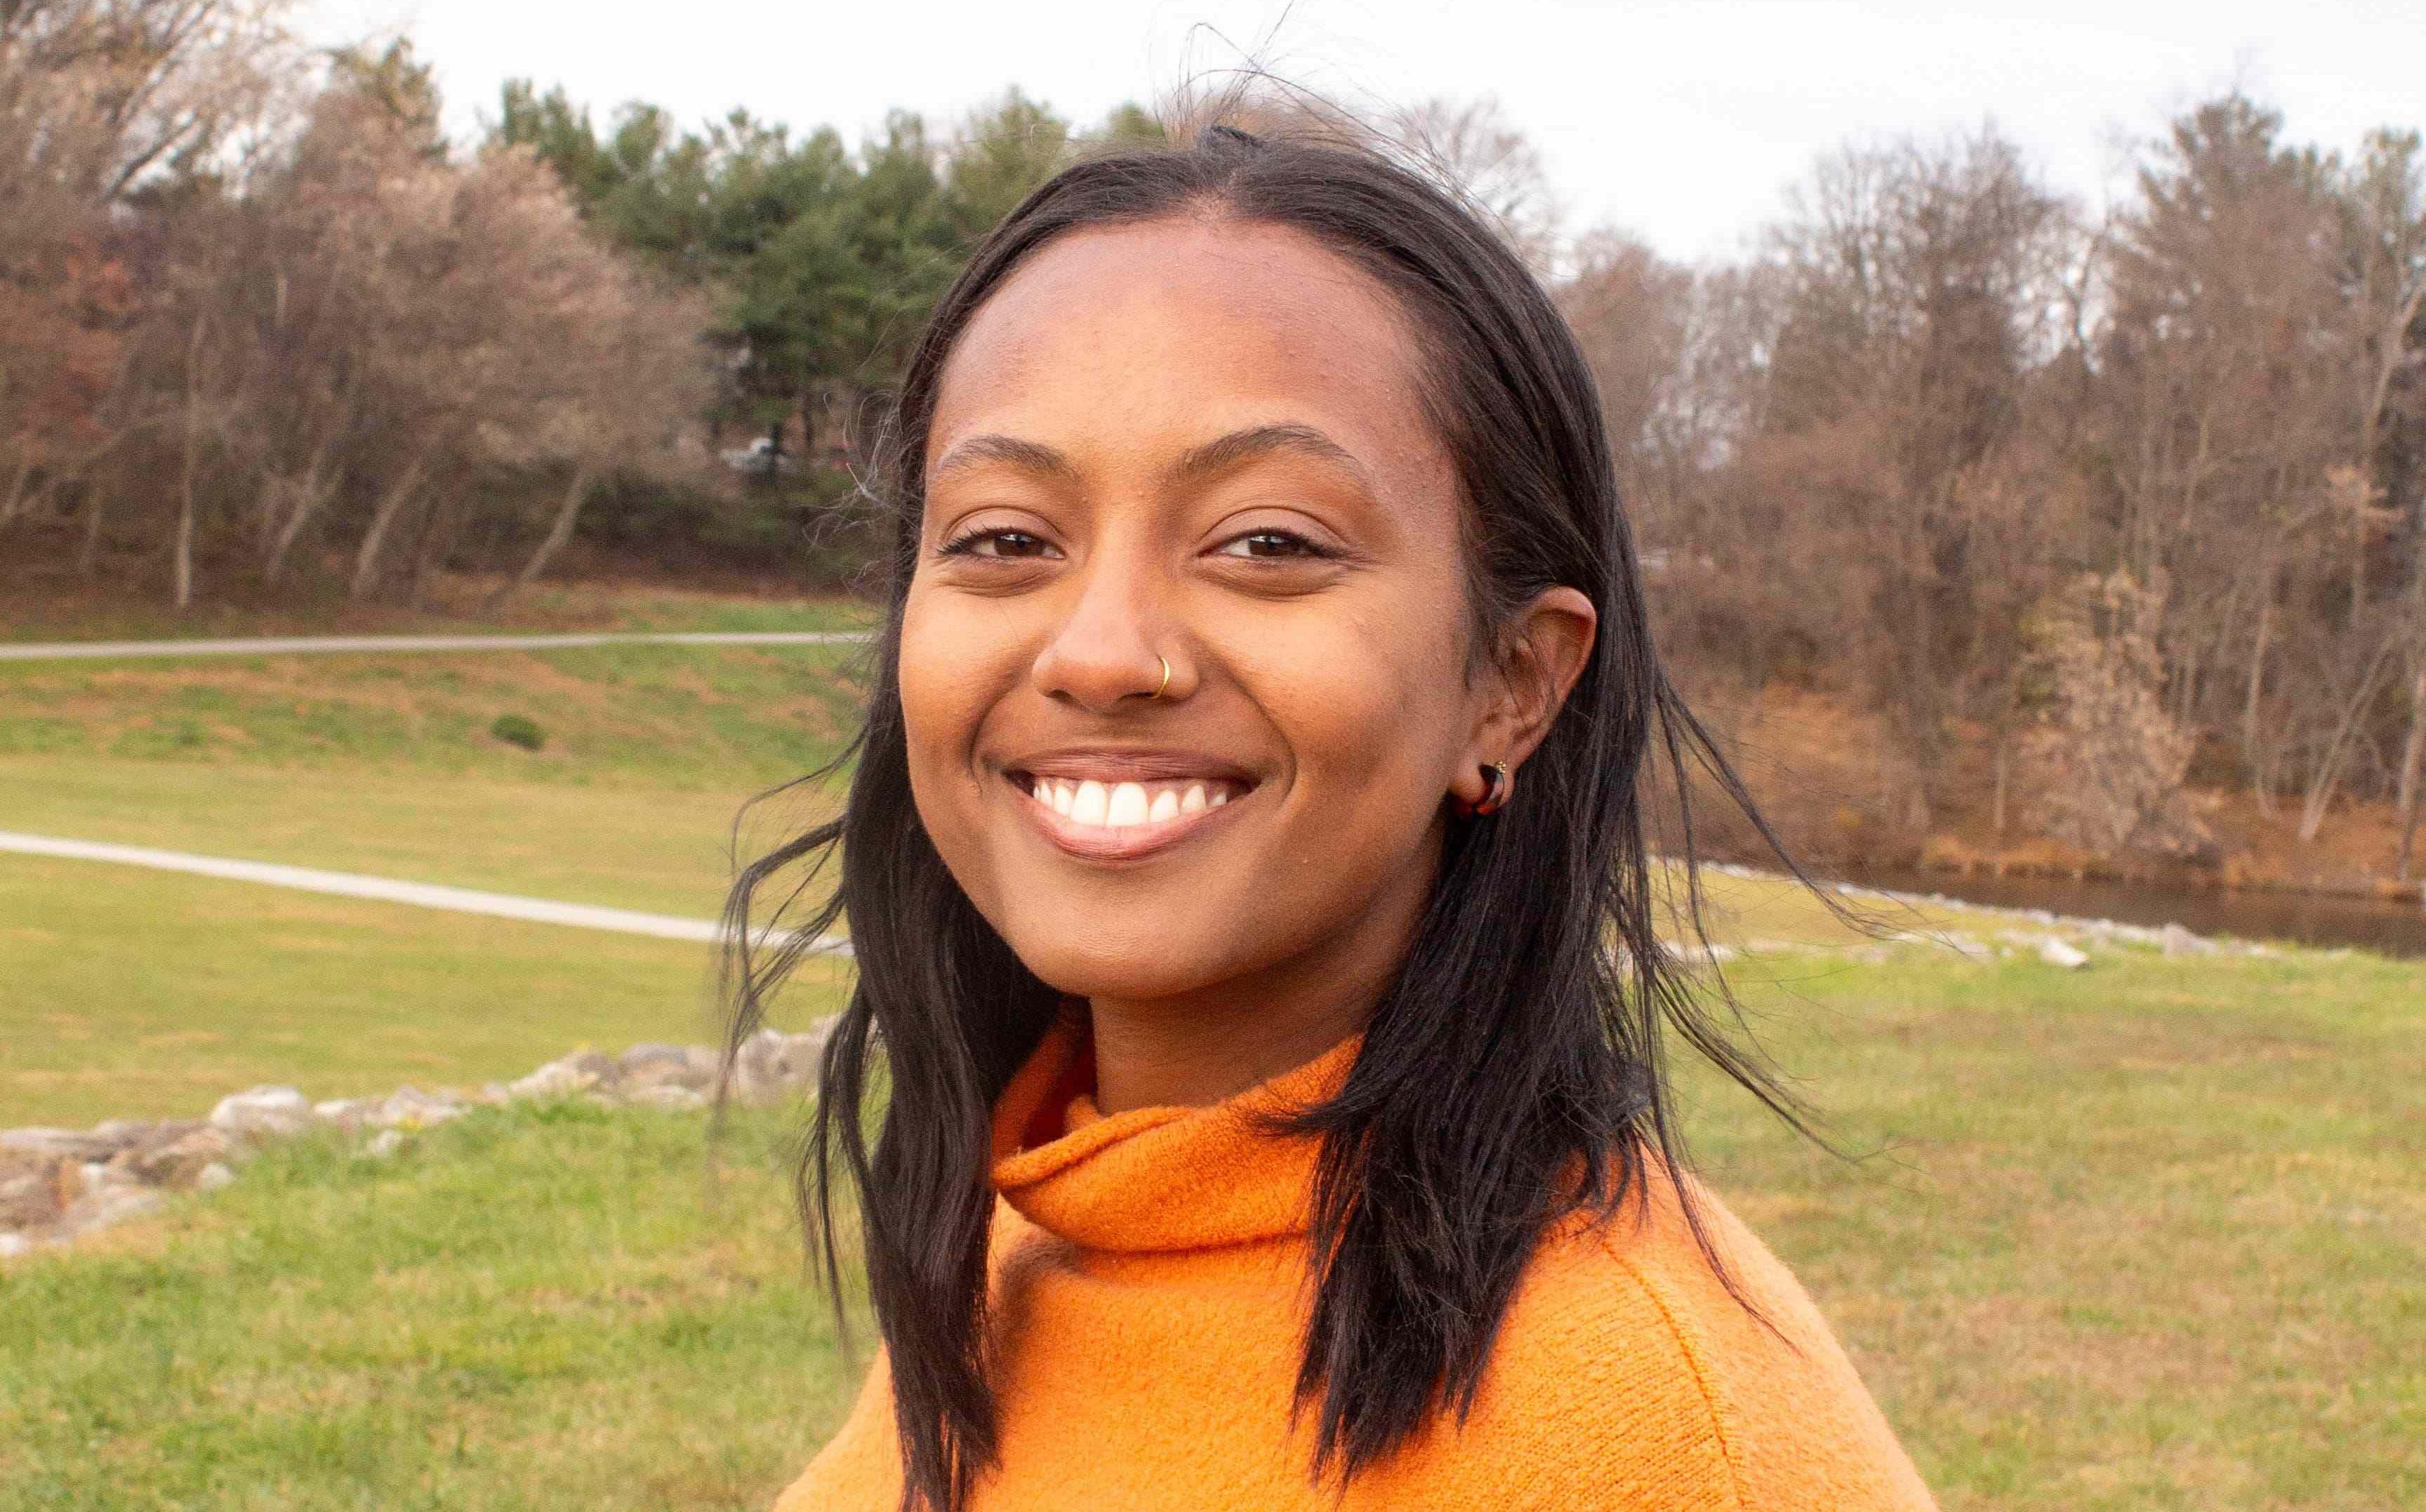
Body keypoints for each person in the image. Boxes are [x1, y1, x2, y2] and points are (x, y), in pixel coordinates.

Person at [730, 123, 1936, 1511]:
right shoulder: (1043, 1220)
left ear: (1512, 683)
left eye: (1266, 541)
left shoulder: (1662, 1433)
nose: (1103, 650)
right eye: (1007, 537)